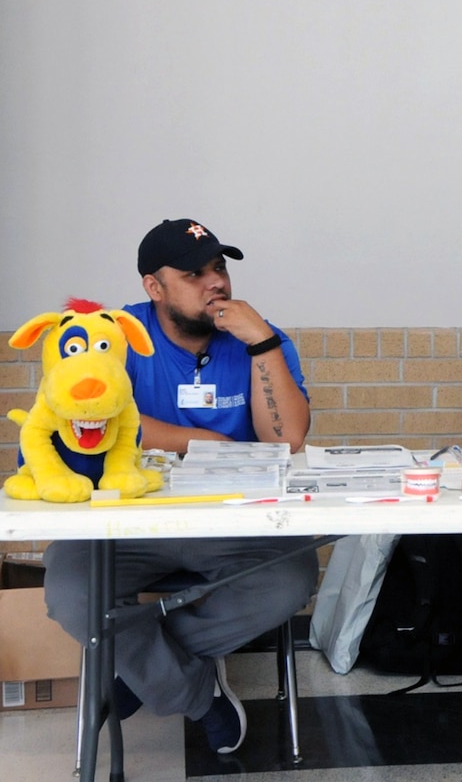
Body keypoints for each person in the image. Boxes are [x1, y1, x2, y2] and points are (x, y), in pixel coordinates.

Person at [44, 218, 320, 756]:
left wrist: (261, 343)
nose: (215, 282)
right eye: (194, 273)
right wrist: (198, 441)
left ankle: (137, 672)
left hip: (235, 522)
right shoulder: (115, 335)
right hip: (127, 519)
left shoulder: (261, 339)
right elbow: (100, 420)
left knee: (289, 581)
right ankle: (197, 692)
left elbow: (286, 441)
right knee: (71, 592)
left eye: (219, 268)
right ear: (155, 287)